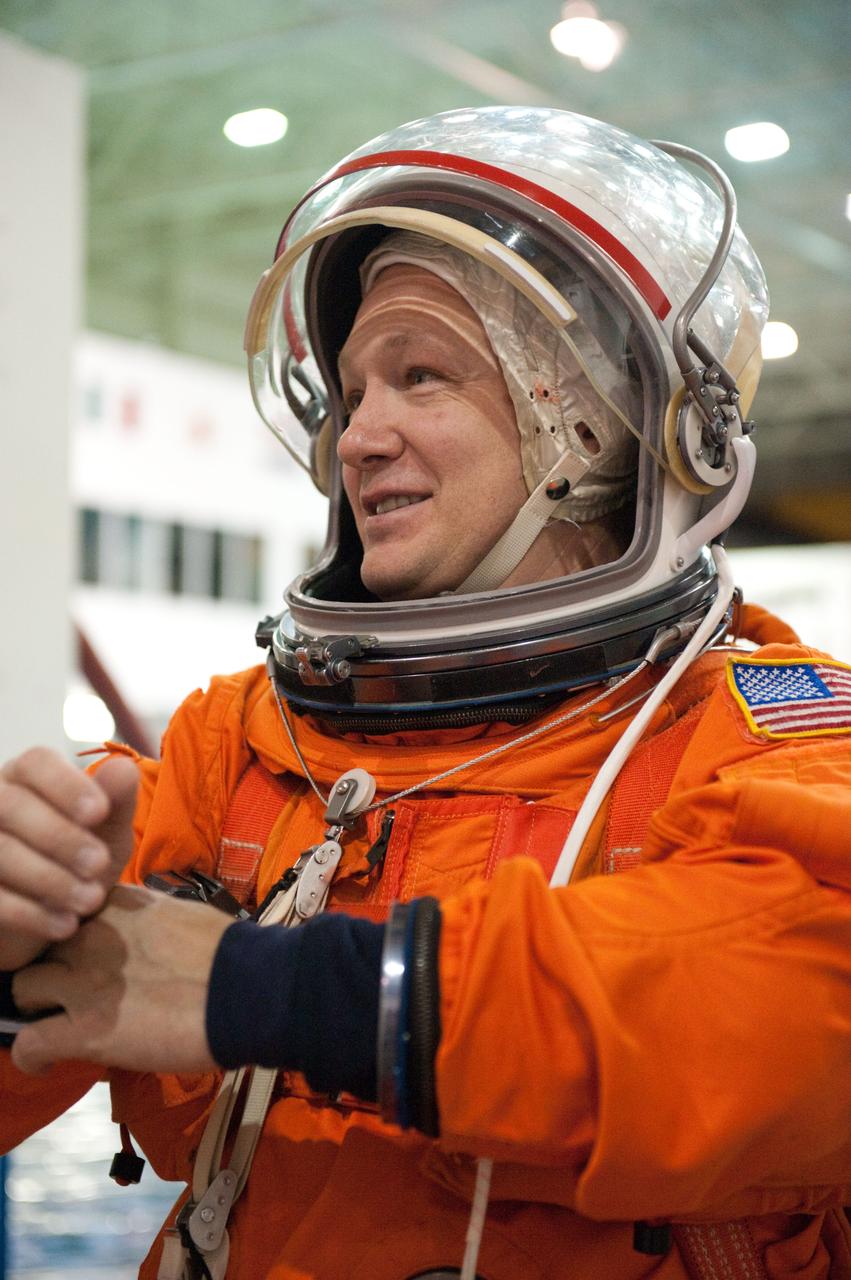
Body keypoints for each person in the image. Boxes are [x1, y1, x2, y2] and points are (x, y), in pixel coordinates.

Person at [0, 106, 849, 1280]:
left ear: (592, 423)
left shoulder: (761, 738)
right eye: (349, 393)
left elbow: (775, 1013)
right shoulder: (235, 749)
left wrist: (281, 989)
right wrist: (16, 936)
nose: (358, 438)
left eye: (419, 375)